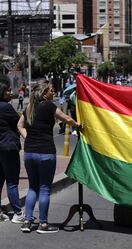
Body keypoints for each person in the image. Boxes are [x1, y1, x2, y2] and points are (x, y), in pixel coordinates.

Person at [17, 81, 81, 234]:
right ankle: (43, 224)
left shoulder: (29, 107)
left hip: (29, 153)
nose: (54, 92)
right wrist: (78, 125)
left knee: (33, 187)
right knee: (44, 188)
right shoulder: (50, 106)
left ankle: (27, 221)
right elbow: (66, 119)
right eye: (52, 90)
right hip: (46, 152)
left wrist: (28, 138)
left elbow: (19, 126)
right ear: (44, 93)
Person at [0, 76, 24, 223]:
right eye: (8, 90)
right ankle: (18, 213)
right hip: (9, 148)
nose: (10, 92)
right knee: (12, 182)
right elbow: (19, 122)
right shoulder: (5, 107)